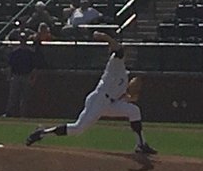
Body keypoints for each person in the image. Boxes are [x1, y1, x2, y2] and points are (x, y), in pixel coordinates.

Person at [25, 30, 155, 155]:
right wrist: (105, 37)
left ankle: (141, 144)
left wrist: (130, 98)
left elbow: (119, 97)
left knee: (134, 110)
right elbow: (119, 49)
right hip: (98, 100)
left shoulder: (124, 75)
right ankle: (42, 132)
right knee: (77, 129)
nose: (126, 51)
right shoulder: (116, 62)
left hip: (108, 103)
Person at [4, 33, 36, 118]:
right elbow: (10, 66)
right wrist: (9, 76)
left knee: (25, 98)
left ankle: (23, 115)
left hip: (26, 76)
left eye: (24, 39)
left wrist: (33, 78)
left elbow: (34, 67)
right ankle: (9, 114)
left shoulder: (30, 53)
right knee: (13, 97)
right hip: (16, 76)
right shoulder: (15, 52)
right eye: (21, 39)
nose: (23, 41)